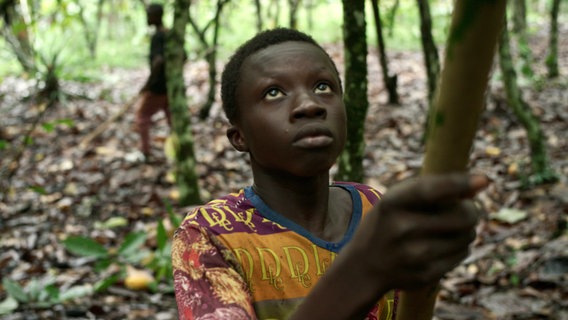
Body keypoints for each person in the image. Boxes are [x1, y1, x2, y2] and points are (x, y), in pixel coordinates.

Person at [171, 28, 489, 320]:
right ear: (239, 136)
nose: (309, 105)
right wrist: (364, 271)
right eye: (273, 93)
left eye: (323, 87)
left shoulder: (374, 207)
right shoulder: (208, 236)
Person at [135, 3, 171, 158]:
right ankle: (180, 151)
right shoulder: (170, 34)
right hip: (171, 86)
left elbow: (158, 62)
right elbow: (184, 56)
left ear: (156, 16)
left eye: (149, 15)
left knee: (141, 117)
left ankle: (145, 151)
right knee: (172, 119)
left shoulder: (158, 36)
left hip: (157, 87)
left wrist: (148, 84)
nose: (147, 18)